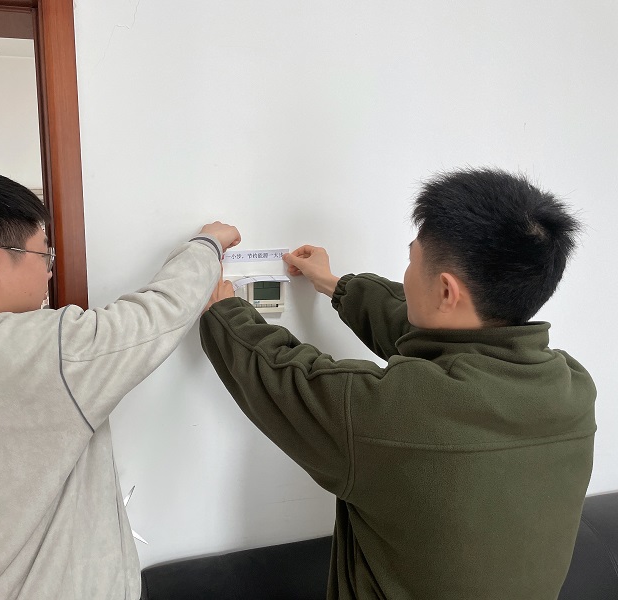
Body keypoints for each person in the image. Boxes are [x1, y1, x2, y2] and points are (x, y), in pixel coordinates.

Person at [200, 167, 596, 600]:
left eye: (412, 260)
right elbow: (438, 336)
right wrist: (335, 285)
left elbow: (282, 375)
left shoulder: (394, 415)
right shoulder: (572, 388)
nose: (407, 275)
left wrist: (223, 310)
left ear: (446, 291)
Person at [0, 171, 240, 600]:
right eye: (44, 255)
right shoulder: (36, 349)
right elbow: (158, 315)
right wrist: (208, 244)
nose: (48, 273)